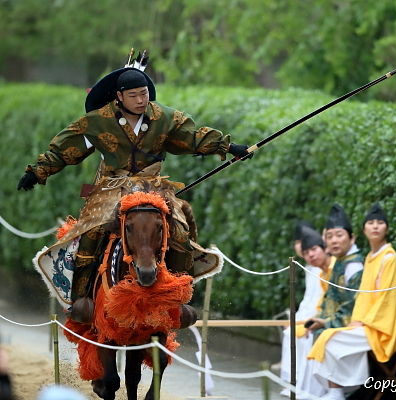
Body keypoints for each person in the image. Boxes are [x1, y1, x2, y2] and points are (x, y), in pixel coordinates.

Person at [16, 50, 253, 321]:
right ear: (119, 97)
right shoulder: (97, 121)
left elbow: (195, 137)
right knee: (92, 231)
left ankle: (179, 296)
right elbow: (64, 150)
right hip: (111, 187)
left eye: (144, 93)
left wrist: (230, 146)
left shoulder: (165, 116)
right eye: (134, 95)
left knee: (179, 229)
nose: (141, 100)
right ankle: (81, 299)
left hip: (154, 187)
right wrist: (37, 172)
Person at [307, 202, 396, 400]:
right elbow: (363, 296)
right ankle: (336, 391)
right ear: (363, 229)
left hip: (383, 327)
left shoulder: (389, 258)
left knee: (329, 338)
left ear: (386, 228)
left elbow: (387, 301)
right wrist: (357, 319)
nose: (375, 226)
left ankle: (341, 391)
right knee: (327, 336)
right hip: (367, 322)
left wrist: (364, 321)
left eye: (380, 223)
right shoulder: (372, 257)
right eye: (370, 223)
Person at [299, 204, 364, 398]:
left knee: (327, 334)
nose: (334, 241)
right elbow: (330, 299)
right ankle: (326, 390)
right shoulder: (340, 262)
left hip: (358, 322)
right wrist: (319, 319)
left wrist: (326, 322)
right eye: (330, 237)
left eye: (339, 235)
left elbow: (352, 306)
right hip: (343, 319)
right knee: (314, 330)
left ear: (352, 238)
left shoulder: (354, 265)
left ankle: (337, 391)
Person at [280, 223, 335, 397]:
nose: (308, 253)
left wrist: (313, 319)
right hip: (316, 315)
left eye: (312, 248)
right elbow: (310, 300)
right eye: (300, 244)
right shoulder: (313, 266)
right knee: (291, 333)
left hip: (326, 318)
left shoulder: (332, 267)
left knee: (310, 334)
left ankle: (322, 389)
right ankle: (295, 382)